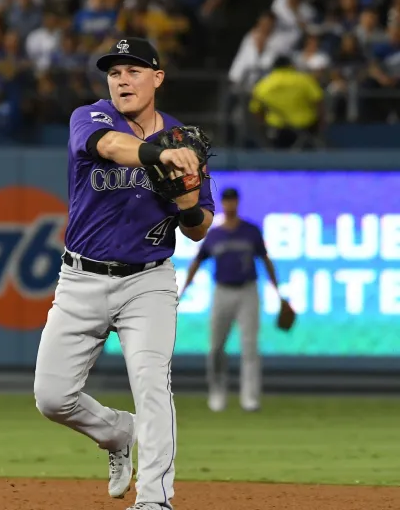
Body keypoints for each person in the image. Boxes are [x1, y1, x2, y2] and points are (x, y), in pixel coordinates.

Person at [34, 37, 214, 510]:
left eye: (134, 70)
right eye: (115, 72)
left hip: (147, 280)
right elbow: (110, 147)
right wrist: (159, 157)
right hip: (81, 279)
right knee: (52, 397)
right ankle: (119, 433)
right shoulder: (91, 117)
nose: (122, 79)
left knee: (151, 380)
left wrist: (187, 199)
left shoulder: (184, 139)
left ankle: (155, 499)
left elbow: (198, 229)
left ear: (157, 78)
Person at [179, 188, 280, 413]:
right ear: (223, 203)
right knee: (216, 347)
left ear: (237, 202)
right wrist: (184, 287)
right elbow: (198, 261)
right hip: (222, 290)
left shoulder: (250, 231)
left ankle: (250, 398)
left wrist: (277, 290)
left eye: (232, 200)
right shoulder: (215, 234)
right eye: (226, 200)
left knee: (250, 346)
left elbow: (265, 259)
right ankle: (217, 393)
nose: (229, 204)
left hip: (248, 290)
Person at [248, 55, 325, 149]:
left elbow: (255, 109)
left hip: (276, 129)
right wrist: (321, 123)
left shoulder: (263, 84)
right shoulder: (305, 80)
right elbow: (318, 102)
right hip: (305, 127)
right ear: (291, 65)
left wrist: (263, 126)